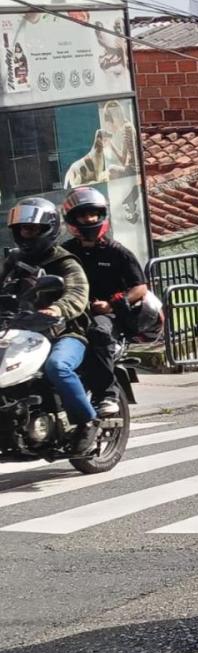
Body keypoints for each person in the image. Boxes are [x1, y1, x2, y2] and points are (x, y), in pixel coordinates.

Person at [1, 197, 96, 454]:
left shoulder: (65, 262)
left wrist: (56, 308)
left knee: (58, 366)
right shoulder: (13, 262)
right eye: (22, 229)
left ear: (48, 229)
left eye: (31, 229)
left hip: (65, 332)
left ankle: (86, 422)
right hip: (20, 332)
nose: (25, 234)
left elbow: (78, 294)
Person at [61, 187, 148, 417]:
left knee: (98, 332)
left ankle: (107, 394)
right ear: (72, 219)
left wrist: (111, 304)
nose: (89, 219)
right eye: (83, 214)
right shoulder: (65, 252)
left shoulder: (117, 252)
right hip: (72, 312)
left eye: (93, 213)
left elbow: (140, 287)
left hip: (108, 314)